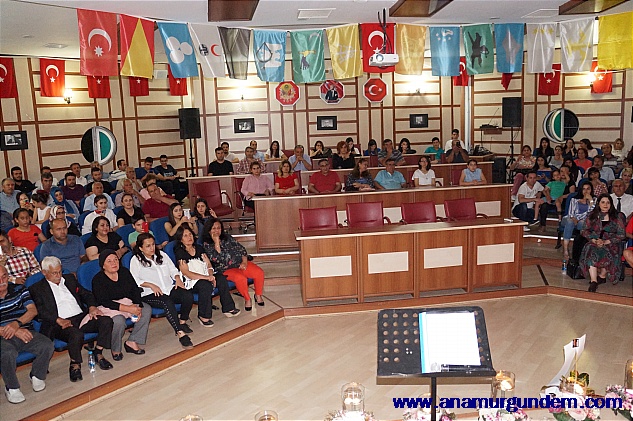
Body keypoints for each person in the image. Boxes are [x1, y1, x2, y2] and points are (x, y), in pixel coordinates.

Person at [29, 256, 114, 382]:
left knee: (106, 321)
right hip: (59, 323)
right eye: (54, 273)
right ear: (44, 272)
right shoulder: (37, 289)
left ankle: (98, 352)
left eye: (60, 271)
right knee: (75, 334)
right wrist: (57, 319)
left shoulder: (69, 279)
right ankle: (75, 364)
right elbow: (39, 312)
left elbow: (86, 294)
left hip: (81, 317)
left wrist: (92, 307)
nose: (58, 275)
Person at [129, 233, 194, 349]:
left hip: (167, 288)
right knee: (167, 302)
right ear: (141, 248)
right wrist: (150, 285)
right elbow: (134, 280)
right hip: (149, 293)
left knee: (187, 295)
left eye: (153, 244)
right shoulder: (136, 260)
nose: (152, 248)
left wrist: (177, 279)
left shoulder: (162, 255)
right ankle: (180, 333)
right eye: (148, 246)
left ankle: (182, 321)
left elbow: (173, 269)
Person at [0, 265, 54, 404]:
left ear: (8, 276)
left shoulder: (19, 289)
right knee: (7, 353)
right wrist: (12, 330)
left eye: (4, 276)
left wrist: (17, 324)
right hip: (2, 336)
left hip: (24, 330)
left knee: (47, 345)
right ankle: (11, 387)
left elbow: (32, 311)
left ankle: (36, 375)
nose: (2, 281)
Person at [91, 250, 152, 360]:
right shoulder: (98, 279)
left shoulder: (124, 272)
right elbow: (104, 301)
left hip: (127, 303)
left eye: (116, 259)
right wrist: (128, 309)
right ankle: (116, 349)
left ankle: (132, 341)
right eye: (109, 261)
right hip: (109, 308)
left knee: (146, 309)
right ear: (103, 265)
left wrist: (137, 306)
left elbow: (135, 290)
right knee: (118, 321)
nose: (114, 263)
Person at [175, 225, 240, 326]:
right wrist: (207, 278)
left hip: (206, 276)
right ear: (180, 239)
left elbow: (209, 264)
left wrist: (211, 275)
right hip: (192, 281)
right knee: (205, 285)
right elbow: (187, 273)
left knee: (221, 278)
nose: (189, 237)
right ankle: (203, 315)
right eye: (185, 236)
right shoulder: (179, 252)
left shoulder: (199, 248)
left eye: (190, 234)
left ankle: (228, 308)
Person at [203, 218, 265, 311]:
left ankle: (258, 295)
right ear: (209, 230)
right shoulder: (207, 244)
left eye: (218, 228)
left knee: (259, 272)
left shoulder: (227, 238)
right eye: (214, 228)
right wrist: (216, 243)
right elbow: (219, 259)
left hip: (240, 263)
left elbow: (242, 249)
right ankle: (247, 299)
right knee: (240, 278)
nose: (216, 231)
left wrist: (244, 262)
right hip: (225, 269)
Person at [579, 194, 625, 292]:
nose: (605, 205)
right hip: (595, 241)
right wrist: (593, 239)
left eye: (608, 202)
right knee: (590, 249)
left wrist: (607, 241)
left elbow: (622, 234)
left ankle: (602, 276)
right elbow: (584, 230)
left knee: (608, 251)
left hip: (611, 242)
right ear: (598, 204)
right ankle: (594, 281)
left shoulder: (617, 216)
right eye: (603, 202)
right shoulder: (592, 215)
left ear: (611, 204)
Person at [561, 181, 595, 260]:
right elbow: (570, 213)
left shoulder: (594, 200)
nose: (586, 191)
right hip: (569, 218)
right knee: (570, 222)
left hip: (583, 220)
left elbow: (591, 214)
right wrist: (574, 219)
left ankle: (580, 247)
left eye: (588, 189)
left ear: (591, 190)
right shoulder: (574, 199)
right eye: (584, 189)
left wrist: (590, 200)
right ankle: (565, 249)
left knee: (582, 223)